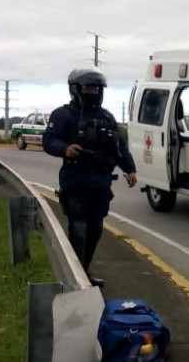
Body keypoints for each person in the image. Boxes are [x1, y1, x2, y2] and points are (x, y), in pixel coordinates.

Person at [43, 67, 137, 287]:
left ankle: (83, 270)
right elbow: (49, 141)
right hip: (75, 180)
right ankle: (73, 278)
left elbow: (119, 147)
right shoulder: (63, 115)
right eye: (87, 87)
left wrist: (130, 169)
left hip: (101, 183)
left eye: (96, 88)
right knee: (78, 228)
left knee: (95, 228)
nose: (92, 92)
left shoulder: (107, 117)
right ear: (76, 89)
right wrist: (65, 148)